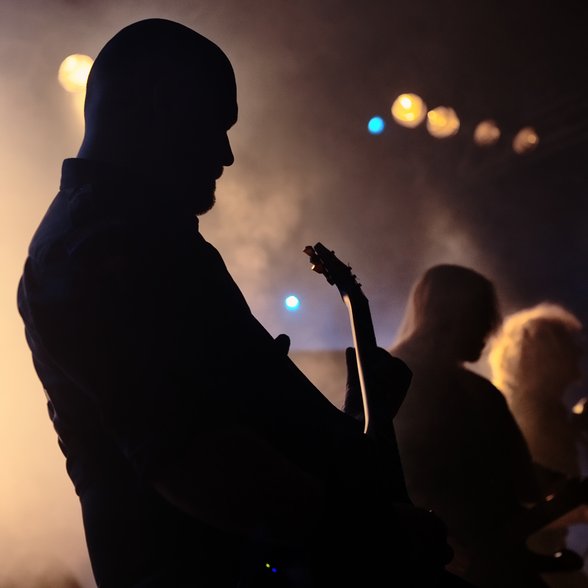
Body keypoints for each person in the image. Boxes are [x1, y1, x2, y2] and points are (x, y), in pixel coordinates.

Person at [17, 18, 453, 588]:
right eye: (215, 126)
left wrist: (349, 426)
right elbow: (191, 459)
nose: (226, 156)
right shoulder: (102, 248)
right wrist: (372, 532)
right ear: (160, 107)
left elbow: (214, 425)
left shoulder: (124, 237)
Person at [389, 263, 553, 587]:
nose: (490, 331)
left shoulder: (384, 377)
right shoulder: (479, 394)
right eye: (482, 316)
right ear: (452, 316)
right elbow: (523, 482)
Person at [488, 303, 588, 588]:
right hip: (533, 569)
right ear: (545, 356)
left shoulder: (542, 412)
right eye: (568, 344)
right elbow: (522, 508)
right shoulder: (533, 418)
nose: (579, 352)